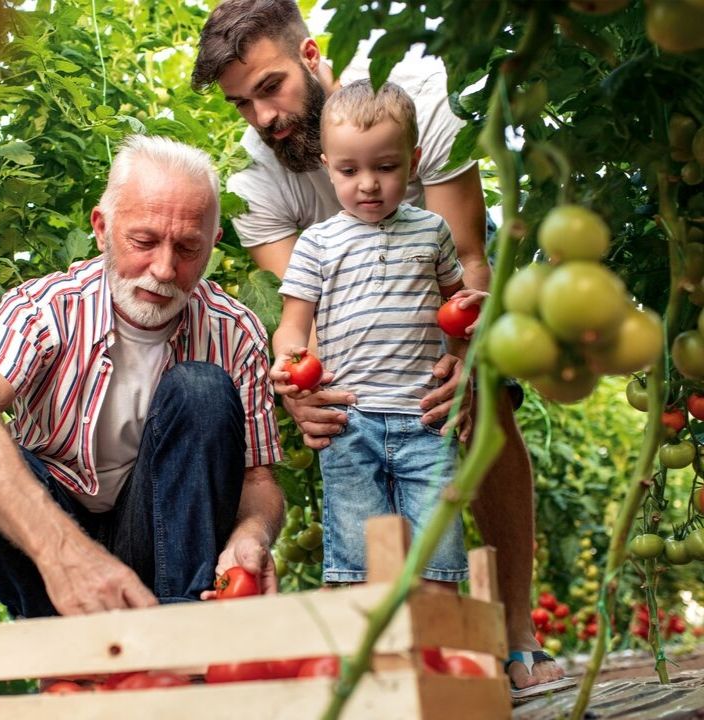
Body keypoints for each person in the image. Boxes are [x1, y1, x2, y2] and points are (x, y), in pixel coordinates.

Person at [192, 0, 567, 694]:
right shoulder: (256, 180)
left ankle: (515, 631)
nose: (263, 118)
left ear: (310, 56)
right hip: (353, 337)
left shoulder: (419, 92)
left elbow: (467, 258)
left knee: (485, 402)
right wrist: (299, 389)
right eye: (242, 104)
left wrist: (466, 358)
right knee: (352, 482)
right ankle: (374, 654)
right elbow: (297, 311)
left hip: (434, 307)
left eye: (269, 88)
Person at [0, 134, 284, 618]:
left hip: (165, 541)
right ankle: (61, 637)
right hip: (49, 544)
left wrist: (252, 534)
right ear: (102, 229)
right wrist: (63, 552)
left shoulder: (235, 331)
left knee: (202, 389)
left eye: (188, 248)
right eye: (143, 242)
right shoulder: (44, 309)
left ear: (213, 244)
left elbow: (258, 477)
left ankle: (184, 636)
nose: (164, 270)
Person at [271, 80, 484, 586]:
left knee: (438, 556)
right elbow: (292, 326)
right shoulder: (317, 244)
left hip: (425, 419)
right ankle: (368, 661)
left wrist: (468, 331)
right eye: (349, 170)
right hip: (350, 422)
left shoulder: (433, 231)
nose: (367, 184)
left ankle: (438, 657)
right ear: (327, 166)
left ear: (412, 160)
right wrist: (288, 361)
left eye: (385, 168)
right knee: (357, 564)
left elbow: (458, 307)